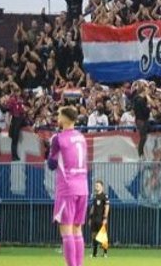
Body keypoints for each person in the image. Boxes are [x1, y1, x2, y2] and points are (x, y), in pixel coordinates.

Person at [47, 106, 89, 266]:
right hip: (83, 186)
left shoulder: (58, 138)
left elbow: (51, 164)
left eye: (59, 114)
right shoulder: (81, 137)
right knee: (77, 229)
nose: (57, 117)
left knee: (66, 230)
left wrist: (50, 151)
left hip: (67, 187)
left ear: (64, 118)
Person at [89, 180, 110, 258]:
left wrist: (105, 218)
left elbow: (107, 207)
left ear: (102, 187)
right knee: (94, 235)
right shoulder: (94, 196)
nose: (96, 187)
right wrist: (90, 218)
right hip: (94, 219)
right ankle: (94, 253)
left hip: (101, 219)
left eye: (97, 185)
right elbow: (93, 207)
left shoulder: (105, 196)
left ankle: (105, 253)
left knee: (103, 236)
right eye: (96, 185)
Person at [132, 82, 152, 158]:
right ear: (143, 91)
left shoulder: (137, 99)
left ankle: (141, 154)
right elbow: (145, 112)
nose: (148, 92)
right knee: (143, 138)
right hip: (142, 121)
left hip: (139, 120)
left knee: (143, 137)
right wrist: (149, 108)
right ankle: (141, 154)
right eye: (147, 90)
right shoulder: (141, 101)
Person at [6, 88, 26, 161]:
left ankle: (15, 155)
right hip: (14, 119)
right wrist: (13, 102)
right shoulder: (12, 100)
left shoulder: (20, 100)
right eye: (16, 92)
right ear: (15, 93)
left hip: (20, 118)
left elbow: (22, 110)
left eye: (19, 92)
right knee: (14, 139)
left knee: (16, 139)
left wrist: (20, 104)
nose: (18, 93)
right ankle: (14, 156)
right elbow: (8, 107)